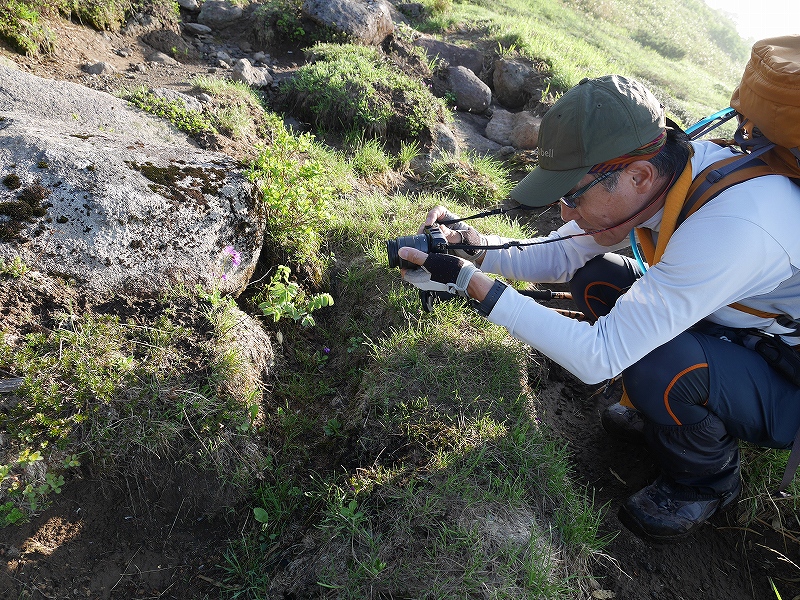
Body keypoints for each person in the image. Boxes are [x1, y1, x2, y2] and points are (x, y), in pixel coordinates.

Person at [397, 74, 800, 542]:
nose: (566, 212)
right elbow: (562, 254)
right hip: (734, 328)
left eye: (573, 194)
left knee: (654, 362)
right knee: (595, 277)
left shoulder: (733, 228)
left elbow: (598, 358)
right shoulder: (665, 175)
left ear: (639, 177)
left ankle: (707, 482)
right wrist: (469, 245)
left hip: (786, 372)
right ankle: (666, 411)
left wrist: (470, 283)